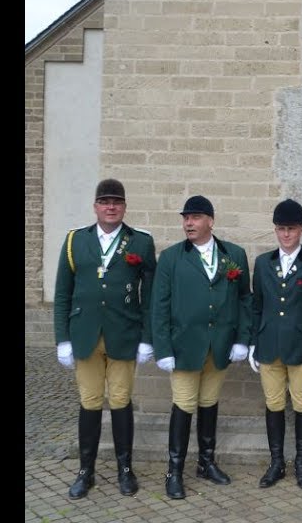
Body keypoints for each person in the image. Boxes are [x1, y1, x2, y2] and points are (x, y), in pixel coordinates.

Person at [53, 179, 157, 499]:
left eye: (116, 202)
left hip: (124, 335)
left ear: (124, 206)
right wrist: (62, 339)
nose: (110, 207)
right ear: (95, 206)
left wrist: (147, 337)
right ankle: (86, 471)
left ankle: (125, 469)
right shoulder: (75, 240)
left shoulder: (140, 242)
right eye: (105, 201)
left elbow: (150, 296)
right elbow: (62, 293)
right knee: (90, 401)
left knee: (121, 400)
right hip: (85, 336)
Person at [152, 195, 253, 500]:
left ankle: (206, 463)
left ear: (210, 221)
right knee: (184, 404)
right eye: (186, 218)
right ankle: (174, 472)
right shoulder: (171, 258)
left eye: (195, 217)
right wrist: (163, 348)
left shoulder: (234, 254)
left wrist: (242, 339)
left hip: (219, 345)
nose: (189, 223)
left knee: (209, 401)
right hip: (184, 347)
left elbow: (244, 300)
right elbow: (159, 305)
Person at [247, 199, 302, 489]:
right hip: (269, 345)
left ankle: (301, 463)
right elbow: (256, 305)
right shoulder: (264, 263)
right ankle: (276, 462)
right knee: (274, 404)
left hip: (300, 348)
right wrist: (253, 342)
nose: (286, 234)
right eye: (281, 229)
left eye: (291, 228)